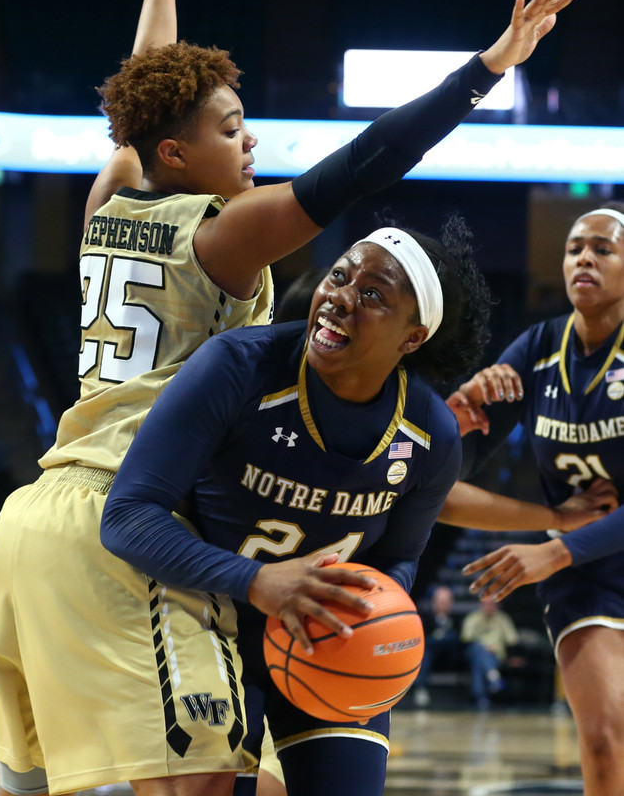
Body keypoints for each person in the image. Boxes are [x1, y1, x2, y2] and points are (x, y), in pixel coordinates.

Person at [0, 0, 583, 796]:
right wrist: (484, 71)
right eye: (232, 128)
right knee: (206, 783)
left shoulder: (112, 199)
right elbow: (363, 166)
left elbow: (143, 99)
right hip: (121, 515)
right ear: (180, 153)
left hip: (37, 514)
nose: (250, 141)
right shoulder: (222, 235)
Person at [100, 217, 492, 796]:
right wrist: (256, 579)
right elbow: (127, 515)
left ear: (412, 338)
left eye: (372, 294)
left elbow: (399, 560)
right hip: (207, 618)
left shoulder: (432, 434)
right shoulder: (237, 366)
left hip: (323, 637)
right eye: (340, 276)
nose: (339, 298)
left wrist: (376, 613)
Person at [447, 204, 624, 795]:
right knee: (604, 734)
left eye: (604, 248)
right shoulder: (538, 347)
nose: (585, 259)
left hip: (572, 554)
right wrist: (459, 411)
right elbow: (443, 481)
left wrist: (553, 551)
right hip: (589, 573)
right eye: (575, 248)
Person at [460, 597, 519, 710]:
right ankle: (493, 677)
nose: (489, 607)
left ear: (497, 605)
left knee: (478, 663)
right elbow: (466, 638)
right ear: (481, 605)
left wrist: (494, 648)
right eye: (486, 604)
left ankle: (481, 698)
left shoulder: (503, 619)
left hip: (496, 656)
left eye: (492, 604)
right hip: (474, 651)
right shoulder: (473, 618)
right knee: (478, 650)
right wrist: (484, 647)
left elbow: (513, 639)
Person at [412, 584, 463, 708]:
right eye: (440, 602)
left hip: (451, 658)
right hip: (430, 657)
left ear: (451, 603)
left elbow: (460, 641)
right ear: (433, 603)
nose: (442, 605)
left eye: (445, 602)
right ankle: (421, 689)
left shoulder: (458, 620)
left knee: (450, 640)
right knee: (426, 650)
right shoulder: (424, 619)